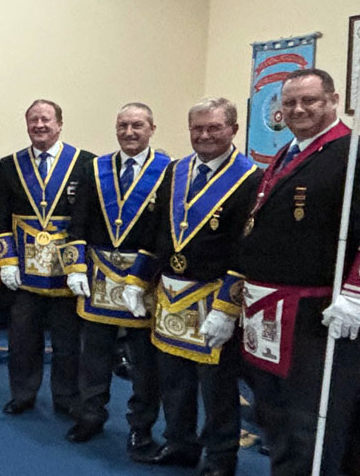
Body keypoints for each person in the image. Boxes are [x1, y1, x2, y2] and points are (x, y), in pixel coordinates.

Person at [236, 68, 360, 475]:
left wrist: (357, 300)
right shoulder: (289, 153)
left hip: (316, 321)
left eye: (309, 100)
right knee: (274, 418)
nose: (298, 109)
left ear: (332, 100)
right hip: (269, 314)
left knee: (309, 428)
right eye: (290, 102)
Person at [138, 97, 258, 476]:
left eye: (214, 128)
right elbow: (157, 231)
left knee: (217, 389)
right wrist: (137, 278)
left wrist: (227, 309)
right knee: (173, 380)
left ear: (233, 130)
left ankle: (221, 457)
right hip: (171, 295)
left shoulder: (252, 179)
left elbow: (247, 249)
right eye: (197, 128)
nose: (204, 135)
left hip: (213, 296)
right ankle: (179, 443)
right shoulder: (176, 171)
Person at [61, 102, 167, 451]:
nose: (129, 132)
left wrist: (146, 272)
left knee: (144, 363)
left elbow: (165, 231)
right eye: (122, 125)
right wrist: (75, 266)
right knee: (93, 355)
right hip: (99, 275)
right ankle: (90, 415)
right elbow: (78, 222)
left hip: (144, 278)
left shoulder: (169, 171)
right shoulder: (96, 168)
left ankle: (141, 427)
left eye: (137, 125)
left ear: (152, 128)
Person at [0, 99, 92, 417]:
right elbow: (0, 216)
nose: (40, 125)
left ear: (60, 124)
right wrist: (5, 262)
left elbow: (86, 219)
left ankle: (66, 397)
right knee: (22, 340)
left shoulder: (84, 163)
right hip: (23, 273)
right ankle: (22, 393)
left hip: (66, 273)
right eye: (34, 120)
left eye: (46, 119)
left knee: (67, 342)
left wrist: (78, 267)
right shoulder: (9, 165)